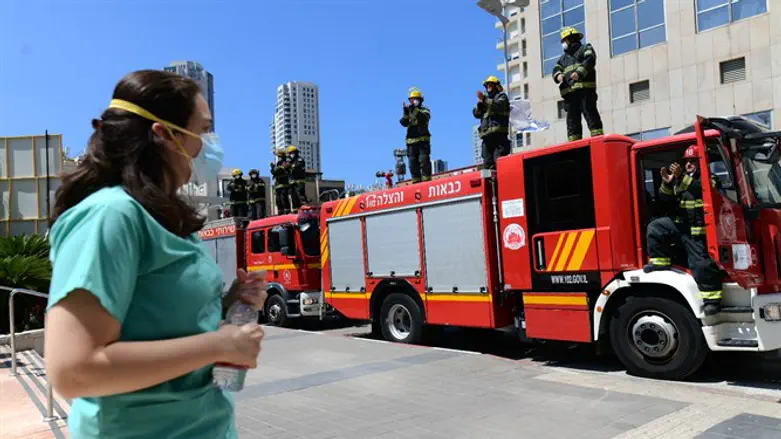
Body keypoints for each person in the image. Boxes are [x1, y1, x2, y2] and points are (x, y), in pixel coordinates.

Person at [43, 70, 268, 439]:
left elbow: (160, 319)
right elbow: (74, 370)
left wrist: (229, 306)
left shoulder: (164, 216)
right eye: (204, 130)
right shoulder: (109, 217)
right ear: (164, 134)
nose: (210, 145)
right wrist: (219, 345)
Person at [644, 145, 725, 316]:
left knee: (701, 264)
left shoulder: (710, 178)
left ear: (701, 162)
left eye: (693, 161)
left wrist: (681, 178)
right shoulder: (680, 179)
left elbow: (701, 191)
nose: (689, 164)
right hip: (681, 226)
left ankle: (712, 301)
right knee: (656, 228)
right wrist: (667, 183)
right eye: (687, 161)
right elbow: (666, 200)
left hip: (699, 231)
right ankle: (660, 264)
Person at [553, 27, 603, 142]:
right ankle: (574, 145)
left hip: (585, 92)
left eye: (564, 41)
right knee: (572, 122)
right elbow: (556, 68)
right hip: (570, 95)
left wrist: (579, 72)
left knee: (591, 115)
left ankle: (598, 140)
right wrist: (558, 75)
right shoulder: (563, 58)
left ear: (571, 39)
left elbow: (590, 59)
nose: (563, 44)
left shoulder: (585, 48)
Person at [473, 76, 511, 170]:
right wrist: (479, 105)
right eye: (487, 85)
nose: (488, 87)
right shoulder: (485, 100)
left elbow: (498, 106)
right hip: (487, 139)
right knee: (487, 166)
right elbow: (476, 114)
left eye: (490, 85)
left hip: (499, 139)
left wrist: (484, 99)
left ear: (496, 86)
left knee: (499, 164)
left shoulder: (502, 97)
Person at [399, 88, 432, 183]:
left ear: (420, 100)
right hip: (411, 142)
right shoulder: (409, 111)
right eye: (412, 99)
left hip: (423, 141)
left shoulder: (425, 110)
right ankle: (416, 182)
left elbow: (423, 118)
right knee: (412, 163)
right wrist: (406, 113)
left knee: (424, 160)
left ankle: (427, 181)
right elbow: (403, 122)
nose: (413, 101)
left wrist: (414, 110)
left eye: (416, 99)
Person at [271, 149, 291, 215]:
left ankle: (287, 212)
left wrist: (274, 168)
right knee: (278, 200)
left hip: (284, 184)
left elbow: (278, 171)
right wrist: (273, 168)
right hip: (278, 185)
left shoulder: (285, 162)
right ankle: (280, 212)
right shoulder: (278, 163)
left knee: (284, 198)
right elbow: (274, 173)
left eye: (279, 156)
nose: (278, 157)